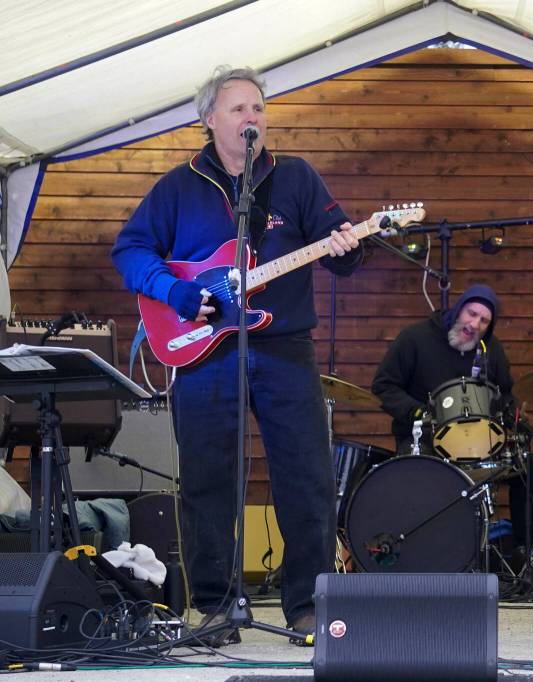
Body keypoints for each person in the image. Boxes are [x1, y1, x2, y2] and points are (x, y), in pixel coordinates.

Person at [111, 65, 363, 645]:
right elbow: (130, 249)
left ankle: (308, 606)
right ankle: (217, 607)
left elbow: (341, 255)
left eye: (259, 109)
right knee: (207, 482)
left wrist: (348, 248)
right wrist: (176, 292)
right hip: (202, 353)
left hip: (285, 347)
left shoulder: (296, 178)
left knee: (307, 477)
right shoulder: (179, 186)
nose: (252, 118)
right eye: (239, 109)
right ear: (210, 121)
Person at [371, 284, 533, 562]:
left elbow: (505, 392)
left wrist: (512, 412)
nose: (474, 324)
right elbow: (383, 385)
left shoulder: (490, 349)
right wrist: (417, 412)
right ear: (458, 309)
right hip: (422, 441)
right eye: (471, 314)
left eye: (484, 320)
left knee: (527, 465)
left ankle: (526, 552)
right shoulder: (416, 338)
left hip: (478, 445)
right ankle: (419, 554)